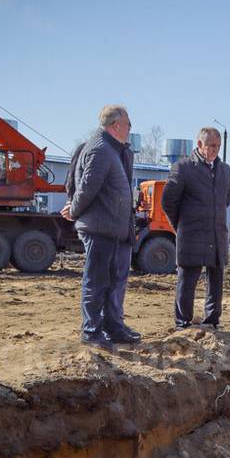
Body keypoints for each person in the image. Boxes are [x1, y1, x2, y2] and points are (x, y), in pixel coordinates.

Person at [62, 105, 141, 351]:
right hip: (100, 227)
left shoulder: (114, 150)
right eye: (128, 124)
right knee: (97, 281)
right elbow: (86, 188)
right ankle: (91, 331)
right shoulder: (99, 150)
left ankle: (113, 326)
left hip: (115, 227)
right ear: (116, 125)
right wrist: (73, 210)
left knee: (115, 279)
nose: (130, 129)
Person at [161, 127, 230, 330]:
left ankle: (212, 320)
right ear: (200, 144)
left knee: (216, 280)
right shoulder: (183, 168)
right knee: (187, 281)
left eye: (218, 146)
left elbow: (225, 200)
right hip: (191, 235)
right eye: (211, 146)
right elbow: (168, 201)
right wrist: (182, 225)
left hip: (216, 233)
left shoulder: (224, 170)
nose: (215, 150)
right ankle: (183, 323)